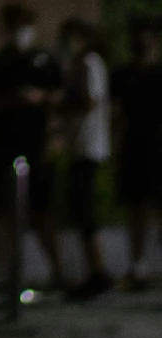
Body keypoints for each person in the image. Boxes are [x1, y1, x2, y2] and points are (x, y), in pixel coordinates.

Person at [0, 2, 65, 290]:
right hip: (2, 147)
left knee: (41, 211)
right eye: (14, 25)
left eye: (24, 25)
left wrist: (40, 98)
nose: (19, 31)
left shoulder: (44, 61)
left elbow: (61, 95)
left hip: (36, 147)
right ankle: (2, 272)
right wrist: (10, 101)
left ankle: (57, 271)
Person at [58, 16, 113, 299]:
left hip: (88, 146)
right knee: (80, 209)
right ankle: (94, 271)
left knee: (85, 209)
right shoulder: (79, 64)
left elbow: (89, 102)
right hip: (79, 147)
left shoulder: (89, 64)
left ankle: (98, 272)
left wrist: (57, 105)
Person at [111, 15, 162, 291]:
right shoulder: (123, 75)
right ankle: (138, 264)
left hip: (158, 146)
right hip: (134, 146)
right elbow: (118, 115)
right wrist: (117, 149)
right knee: (136, 206)